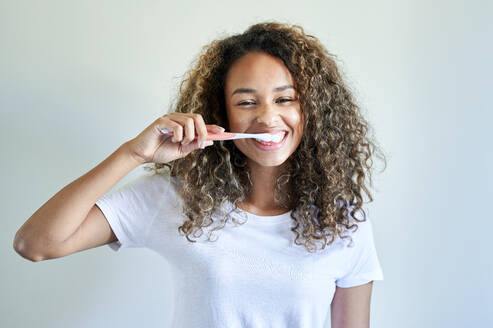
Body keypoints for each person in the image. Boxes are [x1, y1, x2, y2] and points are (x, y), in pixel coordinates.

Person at [14, 21, 387, 327]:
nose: (267, 117)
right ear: (222, 116)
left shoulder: (343, 222)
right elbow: (36, 244)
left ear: (313, 110)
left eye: (285, 99)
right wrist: (134, 153)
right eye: (246, 102)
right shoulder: (178, 198)